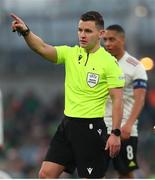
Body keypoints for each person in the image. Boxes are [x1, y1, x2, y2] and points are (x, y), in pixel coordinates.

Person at [10, 11, 125, 178]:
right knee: (45, 174)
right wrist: (26, 32)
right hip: (68, 125)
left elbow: (117, 100)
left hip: (91, 129)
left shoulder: (109, 63)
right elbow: (41, 47)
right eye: (80, 30)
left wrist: (115, 133)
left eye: (88, 31)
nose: (82, 35)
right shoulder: (71, 54)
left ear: (101, 34)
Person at [103, 24, 148, 178]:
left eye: (112, 39)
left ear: (122, 40)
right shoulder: (100, 62)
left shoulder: (135, 66)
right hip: (100, 127)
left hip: (124, 130)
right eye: (105, 40)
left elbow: (140, 98)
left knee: (125, 172)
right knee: (93, 171)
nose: (107, 43)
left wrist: (129, 124)